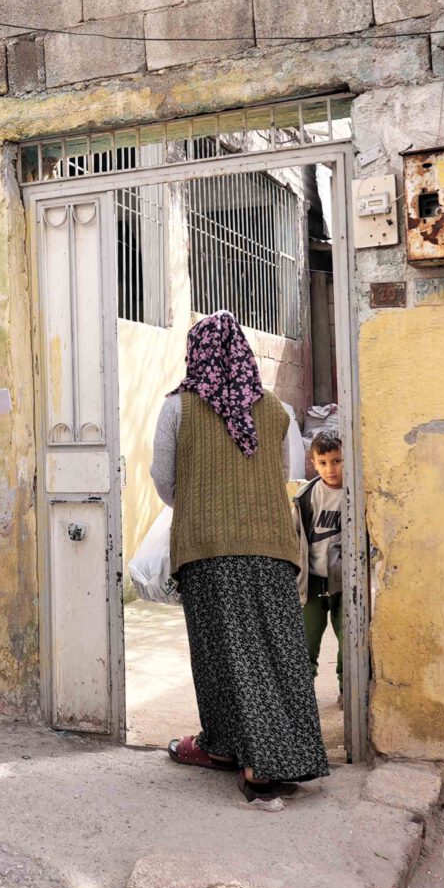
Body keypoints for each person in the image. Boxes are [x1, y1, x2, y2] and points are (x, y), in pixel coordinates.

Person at [151, 312, 331, 806]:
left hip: (206, 549)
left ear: (196, 353)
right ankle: (255, 752)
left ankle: (250, 761)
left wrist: (204, 500)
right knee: (277, 651)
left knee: (221, 653)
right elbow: (290, 474)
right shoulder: (276, 411)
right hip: (271, 547)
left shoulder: (178, 409)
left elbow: (165, 482)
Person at [297, 427, 348, 678]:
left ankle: (346, 689)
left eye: (337, 461)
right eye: (324, 462)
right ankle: (304, 694)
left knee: (350, 640)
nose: (331, 469)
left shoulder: (356, 494)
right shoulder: (306, 496)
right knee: (306, 639)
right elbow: (296, 538)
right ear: (314, 464)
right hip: (313, 581)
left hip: (345, 581)